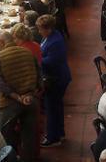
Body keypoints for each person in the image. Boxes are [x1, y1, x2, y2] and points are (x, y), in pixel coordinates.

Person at [0, 31, 41, 161]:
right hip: (30, 101)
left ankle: (10, 159)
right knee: (29, 136)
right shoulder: (27, 52)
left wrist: (17, 97)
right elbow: (38, 75)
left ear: (2, 43)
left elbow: (0, 84)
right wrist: (31, 94)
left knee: (6, 136)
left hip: (10, 104)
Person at [37, 15, 71, 147]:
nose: (39, 32)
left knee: (52, 108)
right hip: (56, 77)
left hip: (56, 78)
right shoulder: (51, 37)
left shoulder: (55, 42)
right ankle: (59, 133)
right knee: (56, 107)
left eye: (41, 29)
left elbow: (51, 61)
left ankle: (53, 138)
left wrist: (36, 59)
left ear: (49, 29)